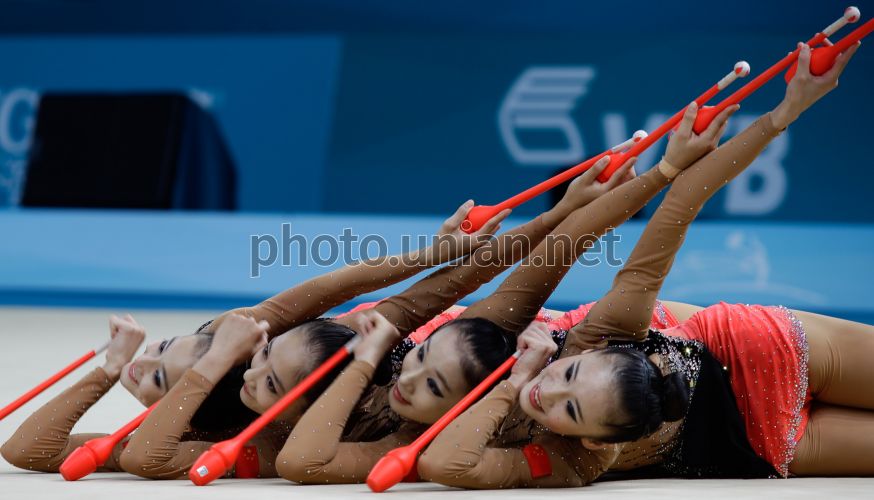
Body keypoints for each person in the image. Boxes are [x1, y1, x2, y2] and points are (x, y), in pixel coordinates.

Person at [419, 41, 869, 488]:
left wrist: (785, 111)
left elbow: (679, 206)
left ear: (590, 354)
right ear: (594, 441)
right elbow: (444, 463)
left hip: (754, 351)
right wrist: (514, 383)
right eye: (571, 408)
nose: (546, 390)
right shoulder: (574, 459)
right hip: (757, 444)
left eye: (570, 373)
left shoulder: (600, 332)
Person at [275, 93, 738, 484]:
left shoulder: (419, 349)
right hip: (636, 393)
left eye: (271, 368)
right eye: (269, 376)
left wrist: (657, 173)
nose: (407, 379)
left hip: (682, 349)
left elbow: (538, 262)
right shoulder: (423, 426)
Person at [109, 157, 635, 479]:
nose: (145, 361)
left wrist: (437, 251)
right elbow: (134, 453)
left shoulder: (293, 342)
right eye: (160, 382)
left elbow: (364, 288)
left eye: (162, 351)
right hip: (481, 373)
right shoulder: (260, 428)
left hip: (469, 343)